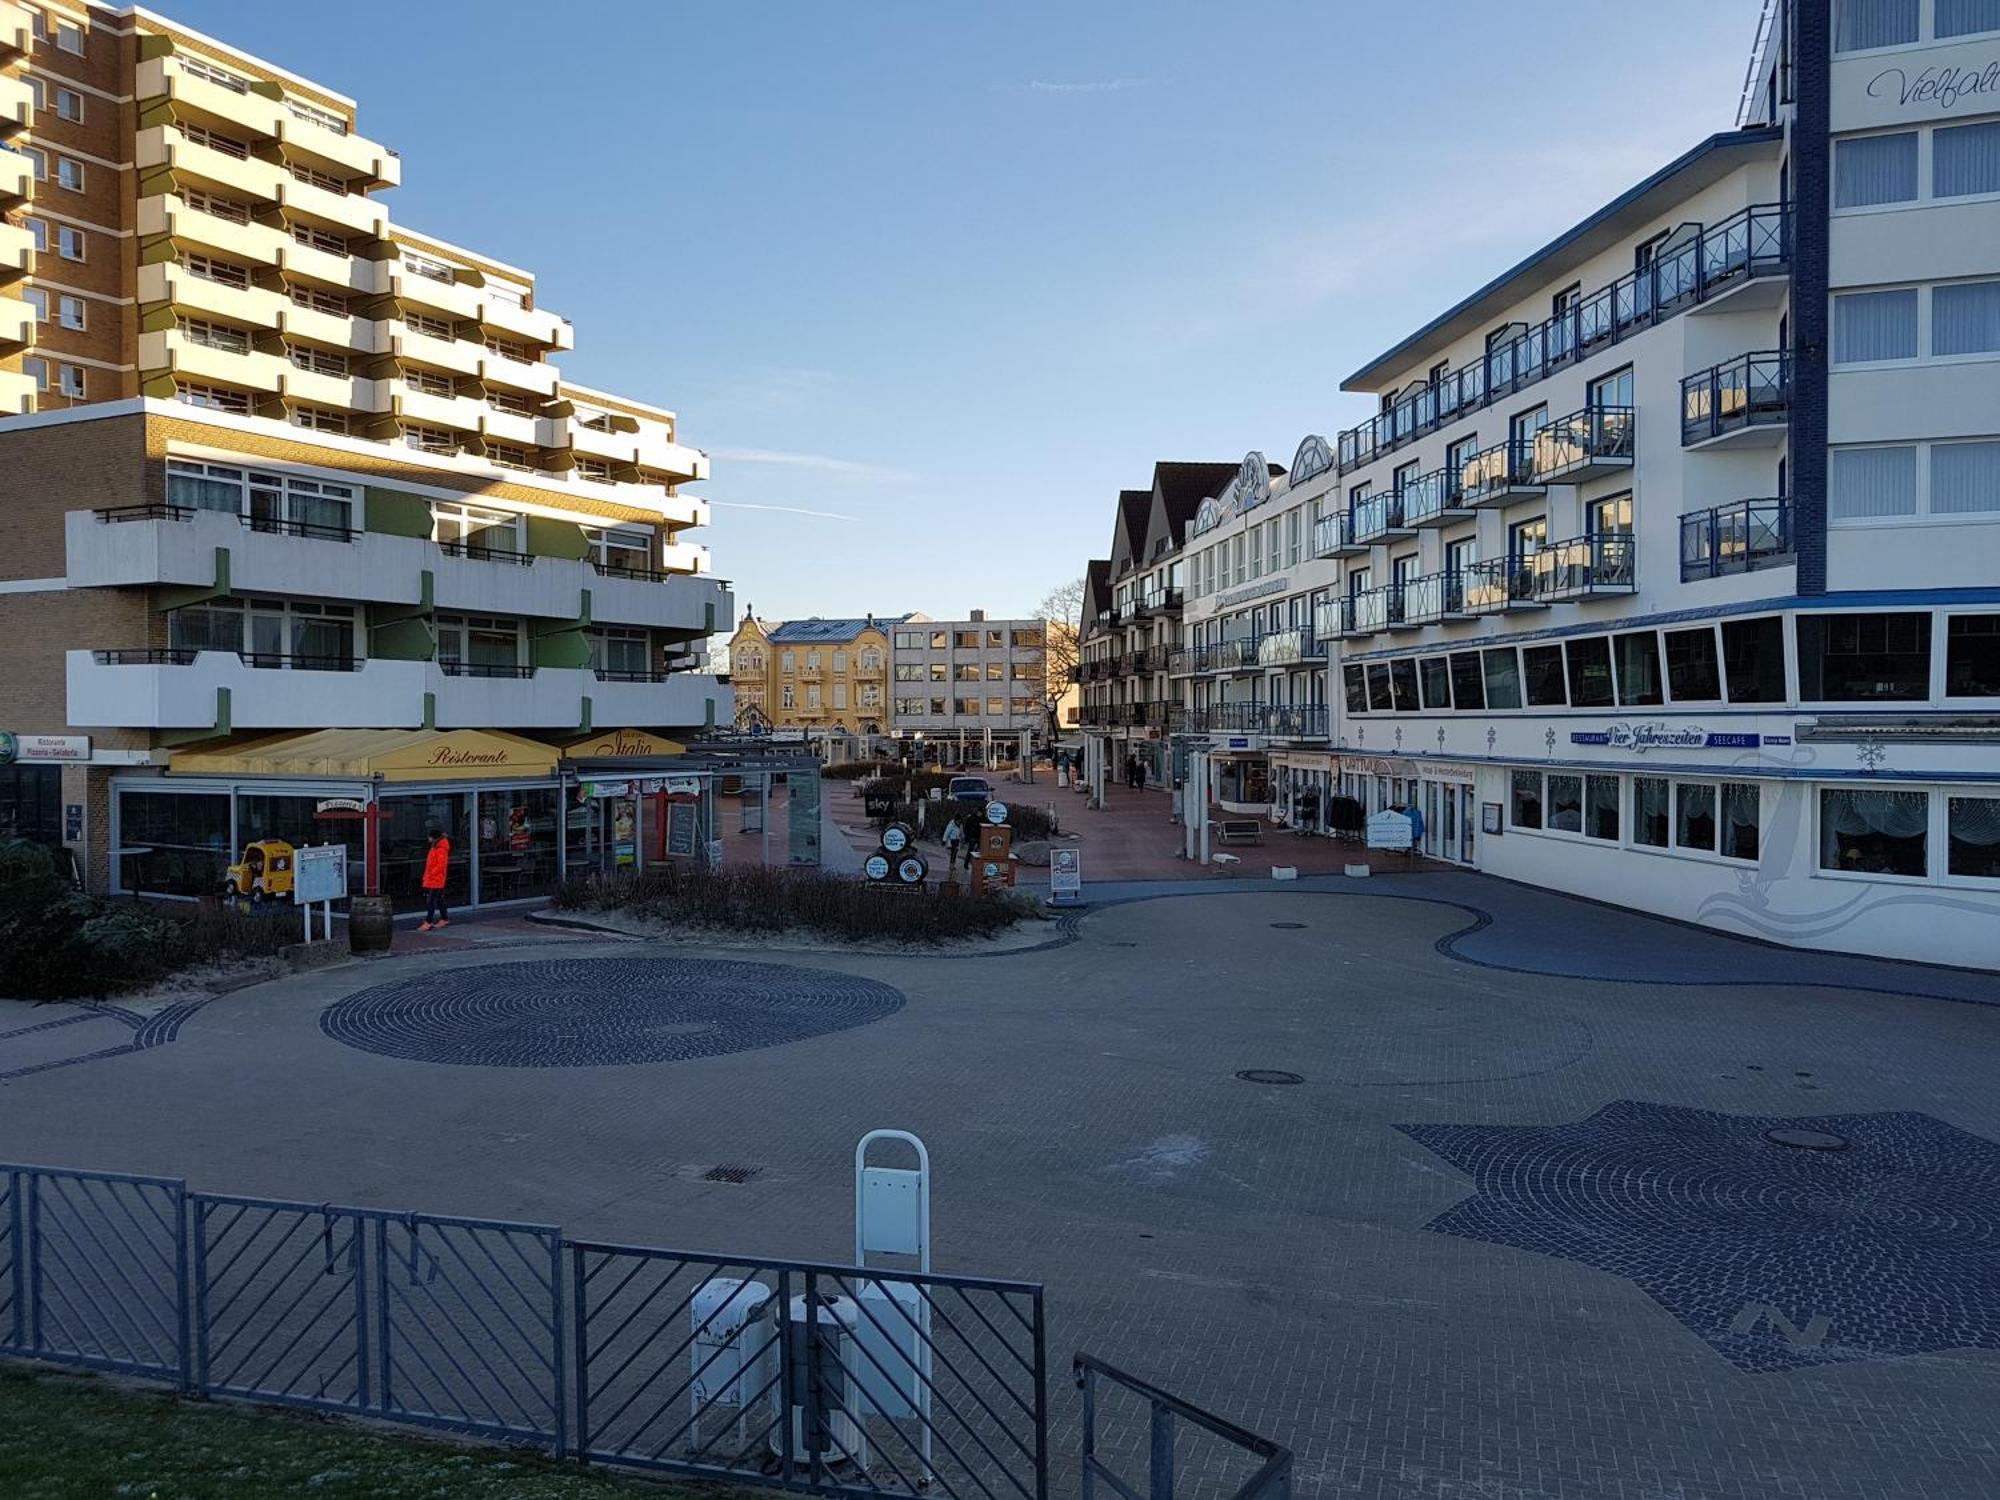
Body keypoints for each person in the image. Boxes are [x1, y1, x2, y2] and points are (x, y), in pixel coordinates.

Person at [417, 825, 451, 931]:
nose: (428, 839)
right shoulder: (436, 847)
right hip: (435, 878)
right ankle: (444, 918)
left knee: (431, 900)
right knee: (439, 899)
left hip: (436, 879)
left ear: (434, 838)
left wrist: (431, 874)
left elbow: (441, 865)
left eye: (429, 837)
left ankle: (429, 921)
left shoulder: (440, 848)